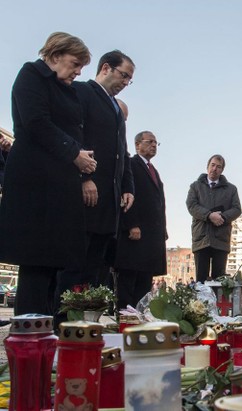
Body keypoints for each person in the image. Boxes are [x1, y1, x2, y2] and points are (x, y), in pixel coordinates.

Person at [0, 33, 95, 315]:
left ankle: (46, 335)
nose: (78, 72)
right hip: (36, 185)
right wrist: (74, 153)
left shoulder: (65, 88)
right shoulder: (32, 75)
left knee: (54, 266)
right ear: (55, 56)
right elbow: (35, 122)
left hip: (58, 188)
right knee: (36, 265)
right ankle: (29, 338)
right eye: (75, 64)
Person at [59, 50, 135, 303]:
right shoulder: (82, 92)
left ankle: (88, 320)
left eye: (129, 80)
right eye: (123, 75)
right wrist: (83, 177)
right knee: (74, 266)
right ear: (106, 68)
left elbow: (121, 153)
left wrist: (127, 186)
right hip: (86, 194)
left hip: (108, 201)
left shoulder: (116, 109)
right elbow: (73, 138)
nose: (125, 83)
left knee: (95, 268)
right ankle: (64, 322)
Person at [114, 131, 167, 311]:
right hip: (135, 234)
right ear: (137, 145)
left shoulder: (154, 171)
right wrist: (131, 224)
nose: (153, 145)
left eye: (156, 142)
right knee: (129, 280)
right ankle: (125, 319)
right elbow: (127, 194)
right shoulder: (131, 164)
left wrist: (163, 232)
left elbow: (158, 202)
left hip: (151, 237)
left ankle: (141, 317)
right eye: (149, 141)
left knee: (144, 281)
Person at [186, 155, 242, 283]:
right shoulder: (195, 186)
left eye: (218, 167)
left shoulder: (231, 189)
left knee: (219, 281)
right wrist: (209, 215)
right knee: (201, 282)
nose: (214, 169)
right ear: (207, 166)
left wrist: (222, 217)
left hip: (221, 239)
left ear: (222, 170)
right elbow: (191, 206)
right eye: (212, 165)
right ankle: (200, 303)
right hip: (201, 238)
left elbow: (237, 209)